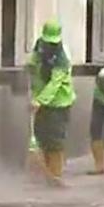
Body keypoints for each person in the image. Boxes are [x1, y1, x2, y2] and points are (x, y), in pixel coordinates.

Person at [26, 20, 76, 187]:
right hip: (41, 100)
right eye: (48, 41)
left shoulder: (63, 56)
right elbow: (33, 62)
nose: (50, 44)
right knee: (41, 137)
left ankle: (55, 176)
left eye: (52, 42)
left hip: (59, 103)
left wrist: (39, 101)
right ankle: (46, 175)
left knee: (55, 141)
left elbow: (55, 83)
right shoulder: (40, 45)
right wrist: (29, 68)